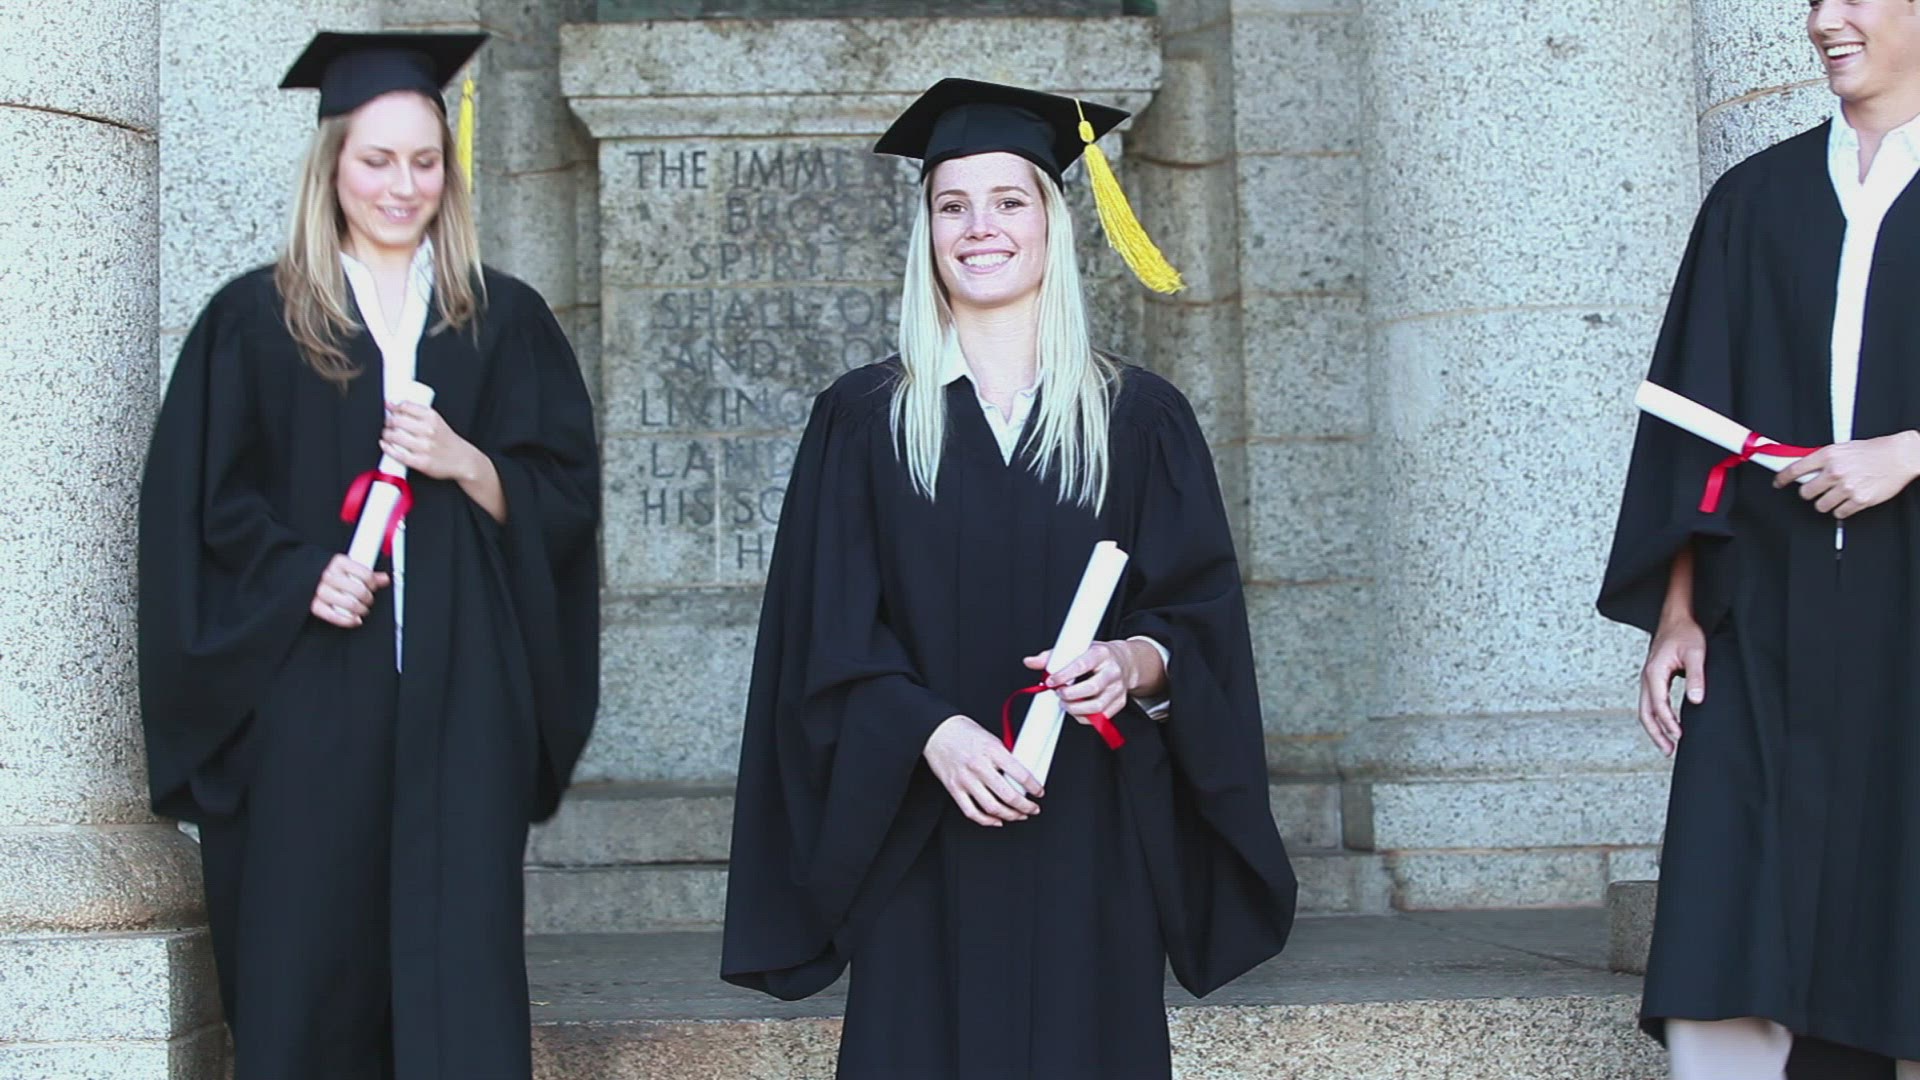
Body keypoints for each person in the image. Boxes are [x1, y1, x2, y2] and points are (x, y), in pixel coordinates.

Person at [720, 78, 1297, 1079]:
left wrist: (1133, 661)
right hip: (921, 839)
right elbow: (826, 637)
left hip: (1092, 839)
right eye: (953, 205)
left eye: (1008, 201)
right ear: (928, 232)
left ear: (1051, 223)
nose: (979, 227)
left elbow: (1198, 616)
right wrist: (933, 733)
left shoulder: (1137, 419)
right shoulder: (864, 422)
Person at [137, 31, 600, 1079]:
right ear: (333, 166)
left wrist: (466, 461)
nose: (403, 185)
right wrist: (301, 574)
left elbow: (565, 501)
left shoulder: (502, 321)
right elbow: (199, 513)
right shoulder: (258, 322)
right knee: (309, 969)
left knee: (457, 978)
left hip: (460, 704)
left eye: (425, 161)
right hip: (309, 703)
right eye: (378, 159)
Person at [1599, 2, 1920, 1076]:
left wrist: (1908, 452)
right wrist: (1678, 611)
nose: (1826, 20)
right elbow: (1692, 417)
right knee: (1730, 920)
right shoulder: (1755, 199)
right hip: (1767, 619)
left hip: (1908, 617)